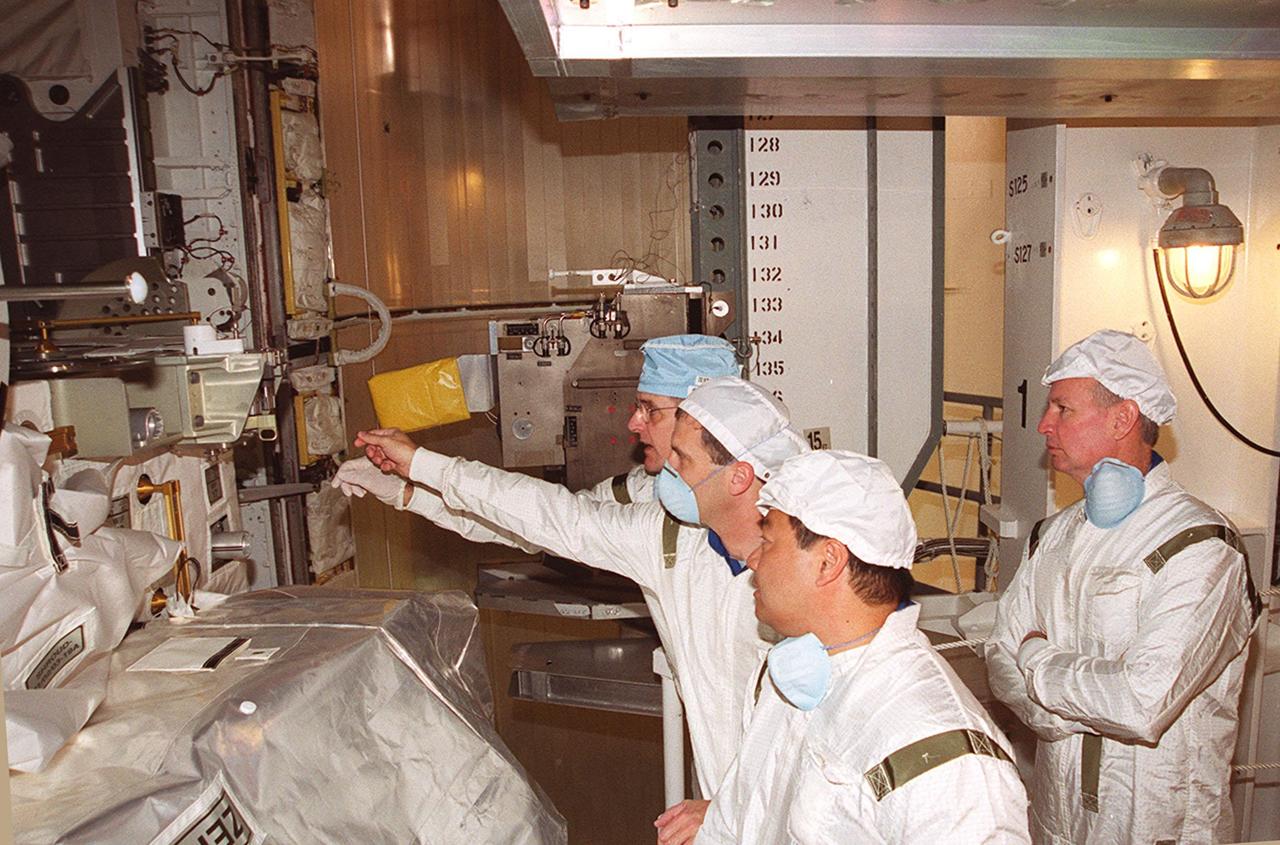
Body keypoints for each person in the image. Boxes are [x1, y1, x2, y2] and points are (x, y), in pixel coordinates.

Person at [335, 376, 808, 811]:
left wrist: (737, 815)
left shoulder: (812, 579)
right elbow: (549, 517)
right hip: (726, 811)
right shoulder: (674, 541)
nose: (667, 474)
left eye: (682, 460)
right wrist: (418, 478)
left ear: (740, 477)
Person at [985, 329, 1260, 844]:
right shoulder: (1055, 535)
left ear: (1123, 418)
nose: (1044, 424)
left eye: (1062, 409)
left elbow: (1140, 702)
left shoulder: (1200, 546)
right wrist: (1058, 714)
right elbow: (1001, 653)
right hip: (1057, 823)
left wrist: (1039, 661)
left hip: (1159, 830)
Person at [692, 450, 1030, 845]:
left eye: (767, 541)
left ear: (828, 561)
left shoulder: (944, 756)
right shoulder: (787, 677)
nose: (753, 560)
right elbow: (735, 823)